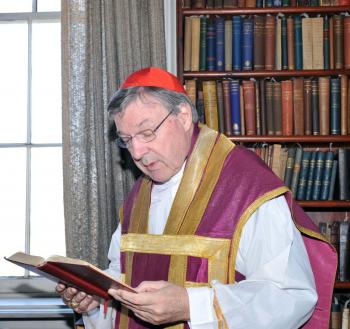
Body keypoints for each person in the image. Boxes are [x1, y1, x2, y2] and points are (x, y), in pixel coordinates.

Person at [56, 67, 337, 329]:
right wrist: (95, 301)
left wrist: (191, 306)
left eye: (146, 132)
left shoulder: (246, 186)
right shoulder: (139, 196)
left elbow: (290, 296)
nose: (137, 152)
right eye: (127, 139)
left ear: (183, 116)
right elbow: (123, 278)